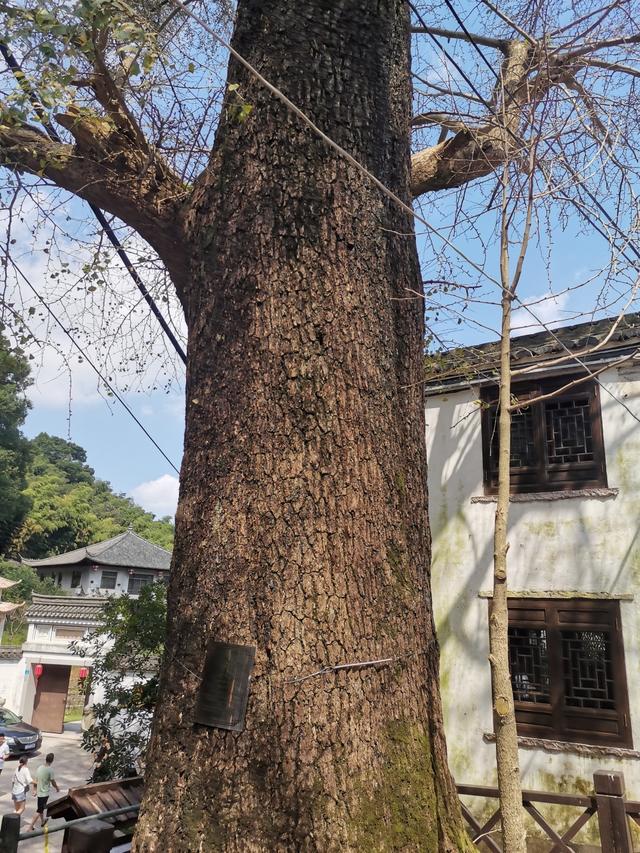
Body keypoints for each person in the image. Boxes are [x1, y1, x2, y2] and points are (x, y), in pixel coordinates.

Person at [27, 753, 59, 831]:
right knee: (39, 810)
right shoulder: (50, 770)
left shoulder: (40, 768)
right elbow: (53, 781)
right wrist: (57, 787)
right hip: (44, 794)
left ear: (46, 759)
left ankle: (43, 821)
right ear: (52, 760)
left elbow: (36, 780)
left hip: (39, 792)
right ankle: (30, 827)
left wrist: (34, 790)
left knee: (40, 808)